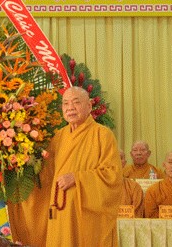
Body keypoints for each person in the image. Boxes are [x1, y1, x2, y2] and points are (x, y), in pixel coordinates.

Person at [44, 86, 122, 247]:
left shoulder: (103, 135)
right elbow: (47, 175)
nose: (70, 107)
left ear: (89, 106)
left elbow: (112, 175)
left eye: (76, 102)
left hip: (85, 216)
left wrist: (77, 178)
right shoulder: (58, 137)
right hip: (60, 211)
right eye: (65, 103)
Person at [119, 149, 144, 218]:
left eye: (120, 158)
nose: (116, 161)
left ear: (124, 163)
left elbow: (137, 216)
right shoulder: (97, 187)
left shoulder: (134, 187)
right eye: (112, 157)